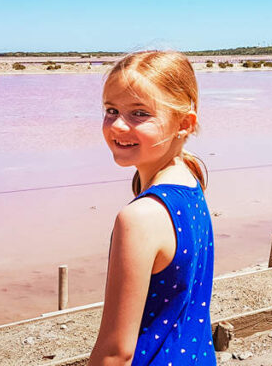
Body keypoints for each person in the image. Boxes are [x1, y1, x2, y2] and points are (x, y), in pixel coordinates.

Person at [89, 50, 216, 366]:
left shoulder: (140, 217)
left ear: (183, 124)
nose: (118, 126)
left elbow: (116, 352)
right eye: (111, 109)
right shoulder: (190, 179)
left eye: (139, 113)